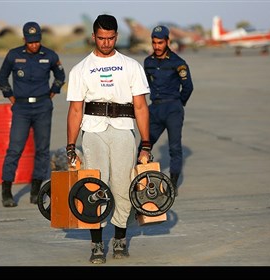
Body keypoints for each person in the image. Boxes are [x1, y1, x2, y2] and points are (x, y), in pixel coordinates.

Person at [66, 14, 152, 264]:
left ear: (116, 36)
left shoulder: (131, 66)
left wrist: (146, 144)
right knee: (95, 186)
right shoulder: (80, 69)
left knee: (123, 186)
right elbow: (74, 110)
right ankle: (96, 245)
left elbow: (141, 107)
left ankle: (120, 239)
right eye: (101, 38)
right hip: (92, 130)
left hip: (123, 129)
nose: (106, 43)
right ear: (94, 36)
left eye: (111, 38)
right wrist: (71, 146)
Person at [0, 21, 65, 207]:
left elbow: (60, 76)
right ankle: (7, 192)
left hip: (43, 107)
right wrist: (10, 96)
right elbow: (2, 77)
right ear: (24, 39)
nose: (34, 45)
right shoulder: (14, 55)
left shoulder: (50, 55)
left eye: (36, 41)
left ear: (40, 39)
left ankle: (35, 192)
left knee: (42, 150)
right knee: (15, 149)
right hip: (21, 109)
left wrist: (52, 93)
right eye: (30, 41)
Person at [138, 25, 194, 196]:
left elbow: (188, 87)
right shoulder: (148, 62)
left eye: (160, 42)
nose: (157, 46)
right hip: (154, 108)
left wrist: (178, 104)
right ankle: (139, 181)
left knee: (174, 148)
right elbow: (144, 84)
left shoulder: (178, 63)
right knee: (144, 146)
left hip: (172, 108)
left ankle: (173, 184)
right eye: (154, 42)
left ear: (167, 41)